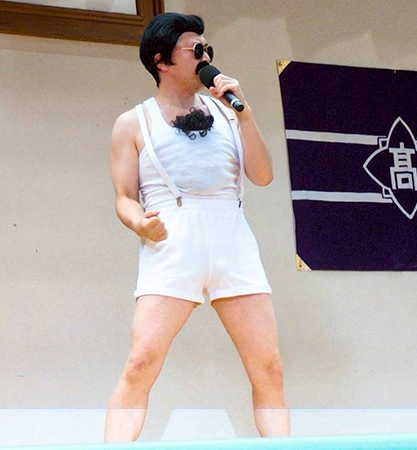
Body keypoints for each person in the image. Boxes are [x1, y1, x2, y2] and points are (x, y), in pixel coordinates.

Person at [105, 12, 290, 442]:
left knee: (269, 367)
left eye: (208, 49)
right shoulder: (133, 122)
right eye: (195, 50)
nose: (206, 58)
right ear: (162, 61)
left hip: (231, 235)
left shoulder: (228, 114)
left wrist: (245, 114)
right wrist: (140, 224)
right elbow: (124, 197)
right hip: (171, 237)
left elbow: (263, 176)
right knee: (141, 363)